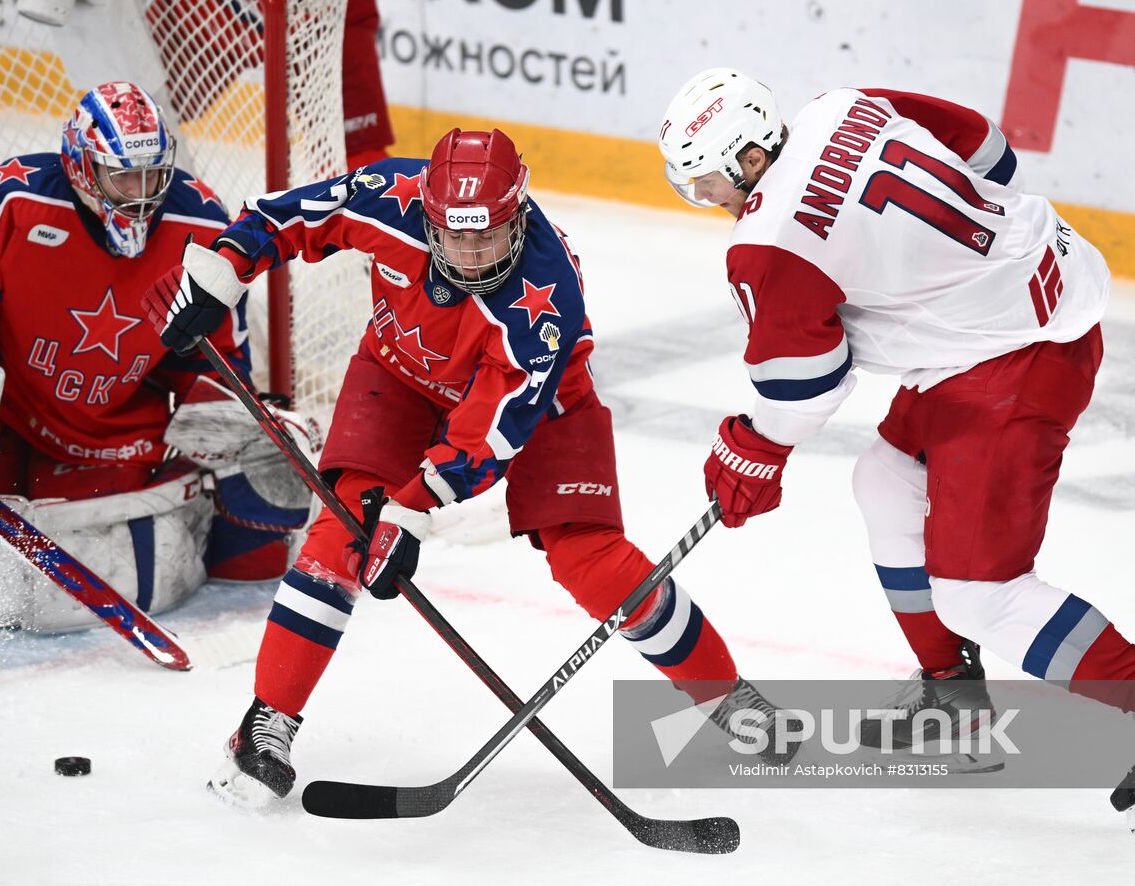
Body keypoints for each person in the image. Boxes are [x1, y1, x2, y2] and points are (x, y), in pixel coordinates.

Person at [657, 67, 1135, 827]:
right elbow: (990, 149)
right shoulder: (841, 106)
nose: (710, 201)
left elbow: (807, 386)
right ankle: (954, 698)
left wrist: (751, 450)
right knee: (884, 479)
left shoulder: (766, 242)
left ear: (747, 158)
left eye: (709, 181)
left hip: (1014, 357)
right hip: (1031, 288)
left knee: (981, 591)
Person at [144, 128, 789, 807]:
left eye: (490, 236)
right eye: (457, 238)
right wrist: (221, 270)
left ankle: (724, 695)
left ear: (517, 212)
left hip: (543, 403)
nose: (474, 255)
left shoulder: (544, 297)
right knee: (342, 532)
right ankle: (266, 722)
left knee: (593, 560)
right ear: (427, 215)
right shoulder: (389, 197)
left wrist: (413, 507)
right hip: (399, 376)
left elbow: (489, 433)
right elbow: (285, 215)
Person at [0, 81, 315, 631]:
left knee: (274, 457)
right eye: (124, 174)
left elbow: (214, 365)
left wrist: (240, 440)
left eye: (154, 174)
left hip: (114, 444)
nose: (142, 193)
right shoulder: (3, 204)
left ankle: (230, 577)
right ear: (81, 166)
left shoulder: (201, 225)